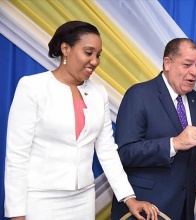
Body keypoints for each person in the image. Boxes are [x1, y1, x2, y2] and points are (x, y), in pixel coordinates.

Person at [4, 21, 159, 220]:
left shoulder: (98, 93)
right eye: (88, 52)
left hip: (84, 200)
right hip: (40, 200)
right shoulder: (32, 87)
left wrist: (129, 198)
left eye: (98, 55)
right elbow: (17, 156)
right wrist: (17, 214)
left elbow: (107, 151)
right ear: (66, 49)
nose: (95, 61)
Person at [110, 38, 196, 220]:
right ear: (167, 63)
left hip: (183, 209)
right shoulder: (139, 95)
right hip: (144, 209)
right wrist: (174, 144)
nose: (194, 72)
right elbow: (125, 152)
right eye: (187, 64)